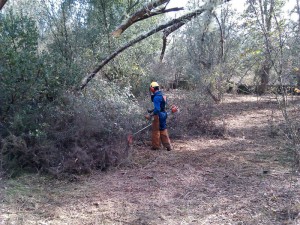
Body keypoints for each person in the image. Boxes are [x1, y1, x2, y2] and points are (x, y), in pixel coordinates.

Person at [145, 81, 172, 151]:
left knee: (155, 130)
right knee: (163, 129)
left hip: (158, 116)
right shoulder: (163, 95)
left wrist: (150, 115)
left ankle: (156, 146)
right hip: (163, 114)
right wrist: (151, 110)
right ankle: (168, 146)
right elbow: (162, 107)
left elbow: (157, 109)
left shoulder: (156, 97)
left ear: (152, 89)